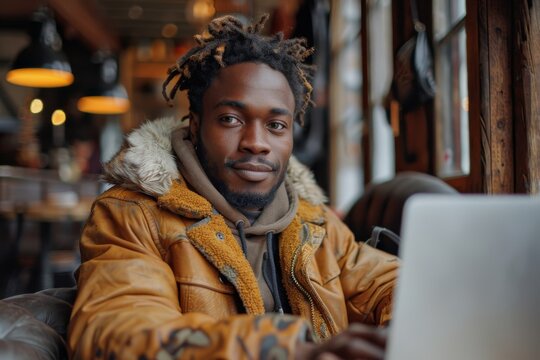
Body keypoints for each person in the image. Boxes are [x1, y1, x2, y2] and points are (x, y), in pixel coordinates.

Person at [68, 14, 399, 360]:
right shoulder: (132, 217)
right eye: (231, 119)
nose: (256, 143)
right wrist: (284, 351)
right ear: (195, 126)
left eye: (275, 124)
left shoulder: (314, 224)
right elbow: (118, 333)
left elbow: (388, 284)